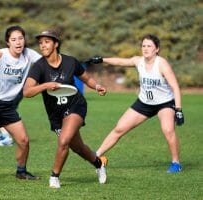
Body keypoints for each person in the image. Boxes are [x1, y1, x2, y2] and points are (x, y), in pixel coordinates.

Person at [23, 30, 108, 189]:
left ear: (56, 44)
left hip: (75, 105)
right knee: (77, 147)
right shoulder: (39, 67)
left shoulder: (70, 62)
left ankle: (54, 177)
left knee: (63, 141)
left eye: (46, 42)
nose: (43, 45)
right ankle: (98, 163)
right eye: (40, 43)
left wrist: (97, 86)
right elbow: (27, 92)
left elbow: (86, 78)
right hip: (55, 114)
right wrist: (45, 86)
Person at [94, 34, 184, 173]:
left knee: (168, 130)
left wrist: (178, 109)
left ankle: (176, 163)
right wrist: (101, 59)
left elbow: (175, 87)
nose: (146, 48)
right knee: (119, 128)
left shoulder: (162, 64)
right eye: (143, 46)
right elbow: (120, 62)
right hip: (144, 103)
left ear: (157, 49)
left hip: (164, 103)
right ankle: (95, 155)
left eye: (149, 46)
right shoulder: (138, 61)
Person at [0, 25, 41, 181]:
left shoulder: (29, 55)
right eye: (14, 39)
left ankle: (21, 172)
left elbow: (45, 62)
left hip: (7, 105)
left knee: (24, 141)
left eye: (21, 38)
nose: (18, 42)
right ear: (7, 42)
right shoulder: (1, 54)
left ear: (25, 40)